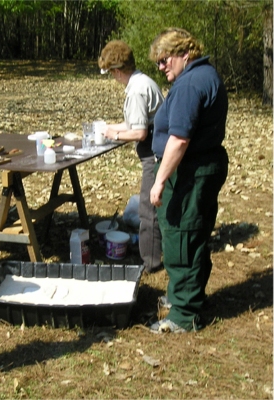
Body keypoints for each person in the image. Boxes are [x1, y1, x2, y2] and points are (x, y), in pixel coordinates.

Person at [148, 28, 229, 333]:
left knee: (181, 236)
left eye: (165, 59)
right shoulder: (204, 75)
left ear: (185, 54)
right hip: (202, 166)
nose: (160, 66)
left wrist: (159, 182)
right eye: (158, 61)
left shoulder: (191, 84)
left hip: (189, 172)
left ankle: (183, 316)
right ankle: (185, 296)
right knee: (195, 234)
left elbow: (179, 140)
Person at [98, 40, 165, 273]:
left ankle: (150, 262)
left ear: (116, 71)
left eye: (111, 73)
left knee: (148, 210)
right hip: (158, 148)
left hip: (155, 153)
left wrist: (113, 134)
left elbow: (139, 132)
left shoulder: (136, 90)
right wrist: (107, 127)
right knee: (154, 207)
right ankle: (154, 250)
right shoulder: (142, 81)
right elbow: (133, 121)